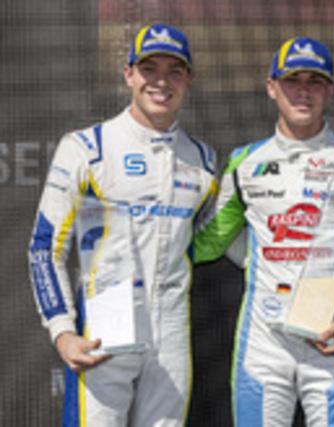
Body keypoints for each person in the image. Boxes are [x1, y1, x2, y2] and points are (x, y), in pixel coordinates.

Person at [193, 36, 334, 426]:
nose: (304, 91)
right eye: (293, 80)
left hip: (333, 344)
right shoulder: (245, 162)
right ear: (271, 87)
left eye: (315, 81)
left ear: (331, 90)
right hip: (263, 348)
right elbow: (209, 241)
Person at [27, 23, 217, 426]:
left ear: (188, 79)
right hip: (104, 328)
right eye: (149, 69)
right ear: (129, 74)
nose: (161, 81)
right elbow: (45, 247)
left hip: (171, 334)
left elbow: (212, 240)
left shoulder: (203, 160)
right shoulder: (87, 147)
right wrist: (63, 331)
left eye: (174, 70)